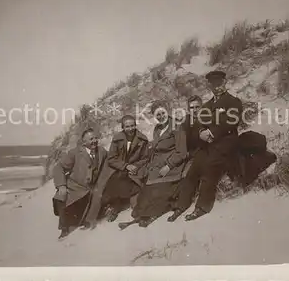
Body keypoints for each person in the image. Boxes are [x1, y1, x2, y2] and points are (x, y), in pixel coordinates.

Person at [168, 70, 243, 222]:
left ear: (225, 82)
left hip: (226, 143)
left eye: (220, 83)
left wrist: (211, 132)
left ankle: (202, 207)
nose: (217, 87)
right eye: (214, 84)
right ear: (210, 86)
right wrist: (202, 131)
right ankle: (181, 205)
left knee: (210, 168)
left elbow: (231, 122)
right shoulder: (207, 105)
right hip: (208, 144)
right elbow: (200, 123)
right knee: (194, 170)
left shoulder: (233, 102)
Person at [118, 100, 190, 229]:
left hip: (173, 165)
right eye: (158, 115)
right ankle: (142, 215)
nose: (161, 117)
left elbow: (182, 152)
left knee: (158, 191)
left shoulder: (177, 126)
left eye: (163, 113)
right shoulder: (157, 128)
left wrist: (168, 166)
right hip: (158, 164)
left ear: (167, 111)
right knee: (147, 189)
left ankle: (152, 214)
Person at [52, 128, 108, 239]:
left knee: (98, 198)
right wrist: (61, 186)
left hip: (91, 188)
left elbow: (112, 160)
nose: (94, 141)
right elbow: (59, 167)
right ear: (84, 142)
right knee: (60, 196)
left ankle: (89, 222)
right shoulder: (74, 153)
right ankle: (64, 229)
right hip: (74, 187)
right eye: (91, 139)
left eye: (96, 138)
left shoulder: (102, 151)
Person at [100, 115, 150, 222]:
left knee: (134, 184)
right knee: (113, 181)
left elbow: (145, 158)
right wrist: (126, 166)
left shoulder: (142, 139)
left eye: (132, 126)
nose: (130, 129)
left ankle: (134, 205)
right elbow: (111, 158)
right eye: (127, 126)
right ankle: (114, 206)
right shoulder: (117, 138)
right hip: (119, 168)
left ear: (135, 126)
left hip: (136, 168)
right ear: (123, 127)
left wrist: (135, 166)